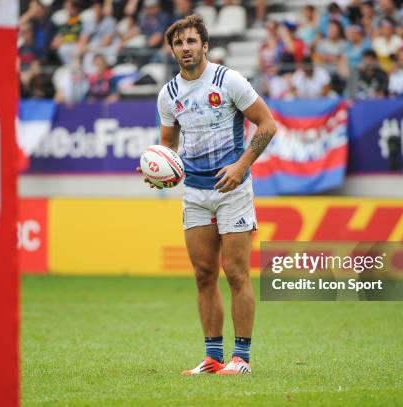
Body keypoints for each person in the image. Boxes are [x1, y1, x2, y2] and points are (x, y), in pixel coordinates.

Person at [139, 14, 276, 375]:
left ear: (204, 45)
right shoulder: (168, 95)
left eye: (191, 41)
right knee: (203, 274)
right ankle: (214, 358)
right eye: (179, 43)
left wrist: (241, 166)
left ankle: (241, 359)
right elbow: (168, 148)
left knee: (236, 273)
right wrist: (158, 173)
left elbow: (267, 124)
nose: (186, 48)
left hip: (233, 189)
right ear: (171, 50)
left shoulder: (227, 80)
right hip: (196, 194)